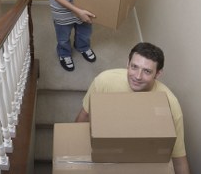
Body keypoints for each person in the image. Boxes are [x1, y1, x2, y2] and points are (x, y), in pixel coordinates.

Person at [75, 42, 191, 174]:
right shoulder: (105, 81)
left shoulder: (170, 104)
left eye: (147, 71)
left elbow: (179, 159)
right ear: (127, 64)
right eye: (134, 67)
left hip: (143, 160)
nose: (137, 76)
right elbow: (84, 116)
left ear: (158, 74)